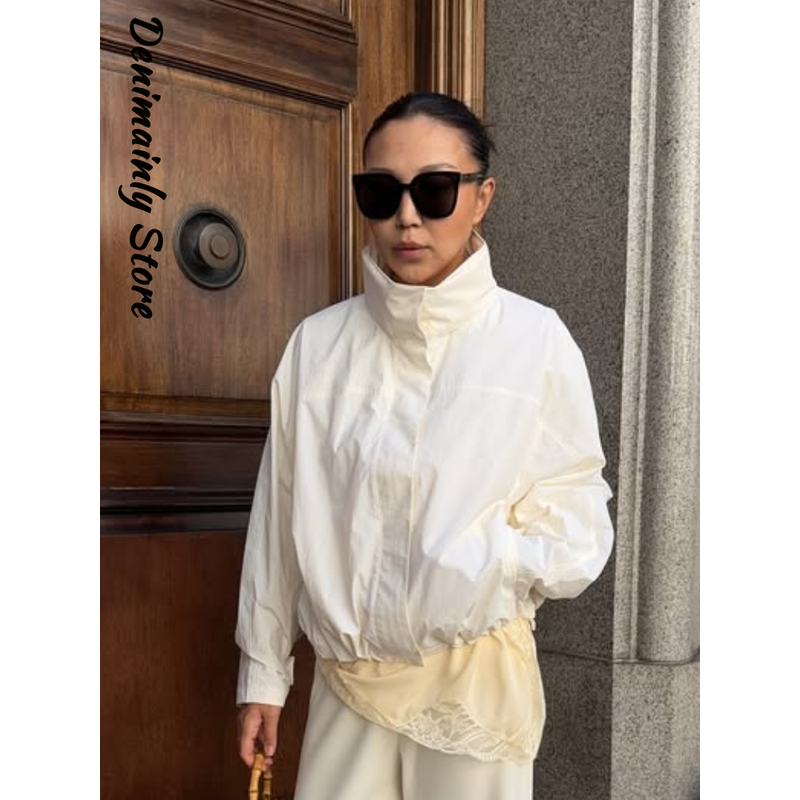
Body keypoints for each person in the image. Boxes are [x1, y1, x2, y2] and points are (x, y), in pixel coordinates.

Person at [236, 91, 614, 800]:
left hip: (476, 690)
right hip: (347, 689)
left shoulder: (534, 342)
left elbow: (579, 519)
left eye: (435, 190)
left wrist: (485, 565)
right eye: (382, 193)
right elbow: (279, 524)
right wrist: (263, 675)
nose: (407, 216)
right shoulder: (319, 347)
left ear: (482, 198)